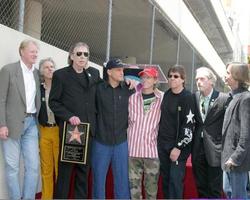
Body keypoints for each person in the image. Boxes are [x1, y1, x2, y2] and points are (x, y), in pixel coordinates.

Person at [49, 42, 100, 199]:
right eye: (79, 54)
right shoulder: (60, 75)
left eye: (85, 54)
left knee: (83, 173)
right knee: (65, 173)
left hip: (89, 130)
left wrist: (128, 84)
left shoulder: (94, 73)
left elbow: (105, 89)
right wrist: (69, 116)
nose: (82, 57)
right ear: (71, 56)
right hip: (71, 131)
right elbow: (54, 102)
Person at [0, 39, 41, 199]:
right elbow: (1, 99)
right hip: (11, 125)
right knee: (12, 168)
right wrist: (2, 124)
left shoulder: (37, 73)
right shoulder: (8, 70)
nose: (35, 54)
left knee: (33, 167)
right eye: (32, 51)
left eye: (36, 52)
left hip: (31, 124)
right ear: (22, 52)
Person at [91, 58, 133, 199]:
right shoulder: (98, 89)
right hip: (100, 141)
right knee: (98, 181)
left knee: (122, 182)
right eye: (118, 70)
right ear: (109, 71)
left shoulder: (128, 90)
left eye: (122, 70)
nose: (122, 72)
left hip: (121, 142)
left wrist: (134, 84)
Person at [191, 67, 230, 198]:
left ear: (211, 82)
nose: (198, 82)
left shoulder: (224, 98)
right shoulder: (194, 97)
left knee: (214, 188)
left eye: (202, 79)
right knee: (201, 186)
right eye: (197, 79)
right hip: (198, 148)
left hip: (215, 149)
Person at [157, 65, 195, 199]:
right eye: (170, 76)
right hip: (163, 145)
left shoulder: (188, 97)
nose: (172, 78)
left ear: (183, 79)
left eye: (176, 76)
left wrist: (178, 147)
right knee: (166, 180)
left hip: (178, 148)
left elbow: (189, 126)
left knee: (175, 182)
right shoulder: (166, 94)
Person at [127, 68, 163, 199]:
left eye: (149, 77)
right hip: (133, 151)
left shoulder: (162, 99)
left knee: (151, 191)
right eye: (143, 77)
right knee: (134, 192)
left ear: (155, 80)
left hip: (151, 151)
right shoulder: (132, 98)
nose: (145, 80)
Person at [222, 62, 250, 199]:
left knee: (239, 196)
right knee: (228, 192)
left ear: (237, 76)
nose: (225, 76)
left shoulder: (246, 99)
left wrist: (235, 158)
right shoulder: (232, 97)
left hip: (237, 161)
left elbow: (247, 134)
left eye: (228, 73)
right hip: (228, 159)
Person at [38, 58, 59, 199]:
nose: (50, 69)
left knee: (59, 168)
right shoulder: (38, 88)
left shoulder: (60, 87)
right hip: (44, 131)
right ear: (41, 71)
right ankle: (46, 197)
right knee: (46, 169)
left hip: (58, 130)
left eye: (52, 66)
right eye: (46, 67)